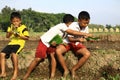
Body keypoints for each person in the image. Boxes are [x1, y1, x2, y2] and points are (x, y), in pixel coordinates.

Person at [22, 14, 90, 80]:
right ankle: (27, 75)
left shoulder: (65, 28)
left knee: (53, 55)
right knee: (38, 59)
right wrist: (85, 34)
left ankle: (52, 76)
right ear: (70, 23)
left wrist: (60, 42)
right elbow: (72, 32)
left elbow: (58, 37)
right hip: (44, 42)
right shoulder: (62, 26)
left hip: (52, 43)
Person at [56, 11, 92, 79]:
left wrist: (90, 39)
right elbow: (70, 39)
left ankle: (73, 69)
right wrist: (79, 39)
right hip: (68, 43)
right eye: (84, 23)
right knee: (58, 51)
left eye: (87, 23)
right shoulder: (73, 25)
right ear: (79, 20)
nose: (86, 25)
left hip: (77, 44)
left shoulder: (86, 27)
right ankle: (65, 70)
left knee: (87, 54)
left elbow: (85, 37)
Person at [0, 12, 29, 80]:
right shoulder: (10, 26)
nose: (15, 23)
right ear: (11, 21)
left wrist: (19, 35)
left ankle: (15, 72)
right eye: (14, 21)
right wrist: (11, 31)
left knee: (14, 54)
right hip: (11, 43)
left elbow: (27, 38)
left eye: (17, 21)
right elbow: (7, 36)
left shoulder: (23, 27)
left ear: (20, 21)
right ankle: (3, 72)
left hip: (19, 43)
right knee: (2, 54)